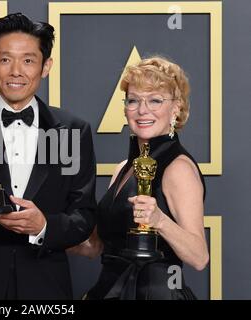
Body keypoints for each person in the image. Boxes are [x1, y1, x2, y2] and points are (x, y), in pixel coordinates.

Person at [0, 13, 96, 299]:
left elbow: (83, 216)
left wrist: (45, 226)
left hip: (46, 286)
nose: (16, 71)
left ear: (46, 66)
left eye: (28, 60)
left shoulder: (73, 130)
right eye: (5, 59)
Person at [68, 56, 209, 300]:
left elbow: (199, 257)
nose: (142, 110)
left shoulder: (178, 168)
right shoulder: (123, 167)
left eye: (155, 100)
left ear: (176, 108)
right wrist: (43, 230)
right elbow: (96, 247)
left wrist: (159, 220)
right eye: (133, 100)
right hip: (109, 291)